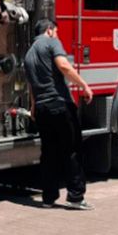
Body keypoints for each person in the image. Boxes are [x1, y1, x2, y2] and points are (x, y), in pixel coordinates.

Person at [24, 19, 94, 210]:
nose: (57, 35)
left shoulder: (28, 54)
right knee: (72, 149)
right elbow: (63, 65)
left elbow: (31, 84)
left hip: (42, 108)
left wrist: (33, 106)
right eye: (56, 31)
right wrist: (84, 85)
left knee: (49, 153)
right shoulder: (51, 42)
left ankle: (48, 198)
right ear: (49, 30)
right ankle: (75, 197)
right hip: (59, 103)